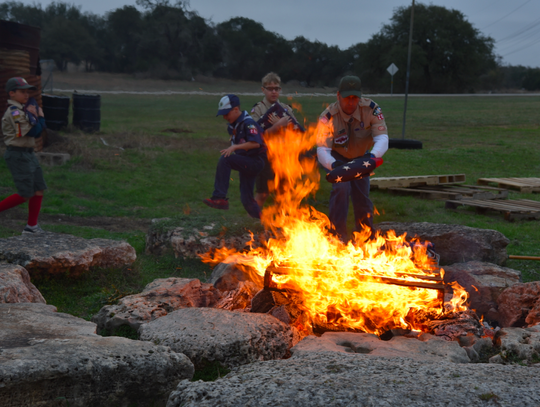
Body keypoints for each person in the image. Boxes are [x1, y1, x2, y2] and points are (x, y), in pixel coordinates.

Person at [316, 75, 389, 242]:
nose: (350, 102)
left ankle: (364, 236)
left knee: (362, 194)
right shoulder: (327, 117)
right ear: (338, 96)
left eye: (354, 98)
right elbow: (322, 148)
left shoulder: (371, 109)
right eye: (346, 98)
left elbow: (382, 138)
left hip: (363, 156)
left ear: (359, 97)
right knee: (341, 189)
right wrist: (333, 164)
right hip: (336, 157)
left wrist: (372, 157)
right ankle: (337, 235)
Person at [203, 94, 266, 219]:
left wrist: (235, 147)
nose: (225, 117)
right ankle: (266, 224)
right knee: (246, 200)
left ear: (236, 110)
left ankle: (219, 198)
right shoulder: (234, 126)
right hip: (246, 161)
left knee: (225, 160)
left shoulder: (248, 123)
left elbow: (256, 144)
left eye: (227, 113)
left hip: (255, 161)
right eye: (223, 114)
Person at [0, 77, 48, 234]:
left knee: (38, 188)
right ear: (12, 93)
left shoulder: (24, 108)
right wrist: (40, 117)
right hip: (17, 155)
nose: (26, 95)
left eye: (28, 91)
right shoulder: (15, 112)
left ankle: (31, 227)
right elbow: (34, 131)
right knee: (25, 193)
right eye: (22, 92)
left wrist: (39, 118)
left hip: (28, 153)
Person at [250, 72, 298, 207]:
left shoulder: (286, 109)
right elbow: (255, 134)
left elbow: (296, 132)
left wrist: (285, 127)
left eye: (276, 88)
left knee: (284, 193)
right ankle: (247, 224)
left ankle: (283, 224)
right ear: (263, 90)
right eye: (270, 89)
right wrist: (277, 126)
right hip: (265, 156)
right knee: (262, 193)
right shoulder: (258, 109)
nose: (273, 92)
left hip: (284, 155)